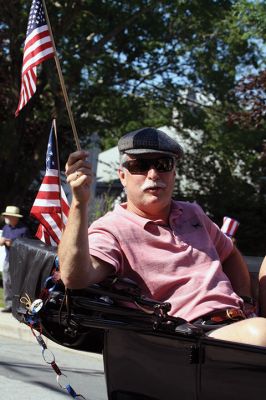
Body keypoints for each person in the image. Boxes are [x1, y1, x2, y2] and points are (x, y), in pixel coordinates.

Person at [59, 127, 266, 346]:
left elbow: (230, 254)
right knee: (260, 333)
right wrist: (79, 204)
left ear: (174, 174)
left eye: (163, 165)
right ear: (122, 176)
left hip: (238, 321)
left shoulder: (192, 213)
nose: (153, 174)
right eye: (139, 166)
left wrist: (246, 302)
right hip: (191, 335)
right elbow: (74, 278)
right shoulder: (112, 228)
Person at [0, 206, 29, 312]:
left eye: (8, 216)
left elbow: (27, 246)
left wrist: (13, 244)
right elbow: (1, 241)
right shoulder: (6, 228)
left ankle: (18, 306)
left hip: (19, 260)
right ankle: (8, 305)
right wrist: (2, 242)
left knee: (17, 282)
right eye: (6, 215)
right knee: (6, 281)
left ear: (15, 217)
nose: (6, 217)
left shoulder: (24, 229)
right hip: (8, 259)